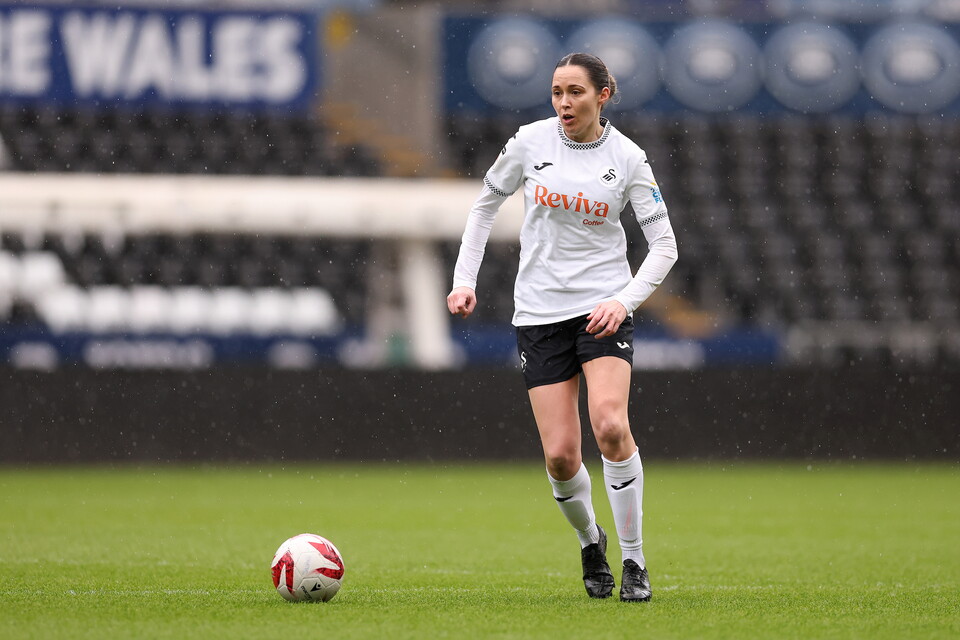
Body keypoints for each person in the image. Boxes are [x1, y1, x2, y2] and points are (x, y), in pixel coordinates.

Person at [447, 52, 678, 602]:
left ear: (603, 95)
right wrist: (464, 280)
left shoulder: (628, 159)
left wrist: (623, 302)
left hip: (601, 310)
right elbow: (484, 206)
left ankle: (635, 560)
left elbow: (665, 246)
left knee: (610, 425)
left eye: (575, 91)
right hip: (539, 313)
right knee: (560, 456)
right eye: (556, 92)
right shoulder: (529, 142)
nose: (563, 103)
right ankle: (589, 542)